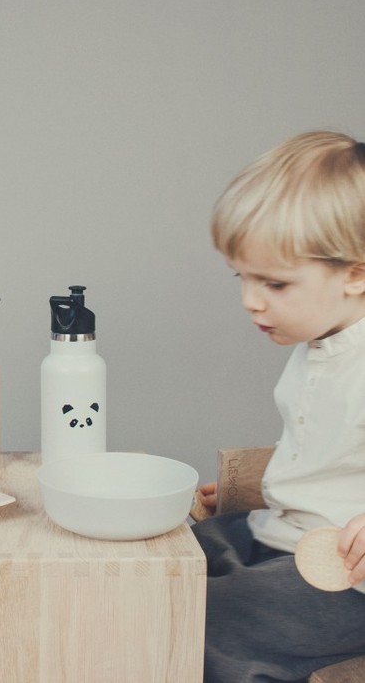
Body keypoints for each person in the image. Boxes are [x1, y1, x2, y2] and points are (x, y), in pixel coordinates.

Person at [193, 131, 365, 682]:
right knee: (166, 562)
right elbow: (330, 440)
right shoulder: (321, 339)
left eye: (275, 283)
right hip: (279, 530)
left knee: (212, 627)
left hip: (341, 574)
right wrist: (272, 476)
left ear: (355, 273)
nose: (250, 300)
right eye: (242, 277)